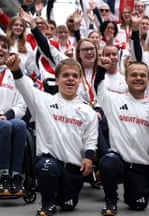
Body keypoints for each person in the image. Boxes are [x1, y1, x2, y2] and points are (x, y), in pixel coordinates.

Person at [6, 56, 98, 216]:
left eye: (75, 76)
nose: (70, 79)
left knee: (68, 205)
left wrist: (89, 157)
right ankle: (47, 204)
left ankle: (61, 196)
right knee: (46, 166)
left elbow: (91, 138)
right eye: (66, 75)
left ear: (80, 81)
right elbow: (25, 87)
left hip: (73, 170)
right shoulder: (43, 101)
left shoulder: (88, 112)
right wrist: (15, 70)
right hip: (49, 161)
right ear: (57, 80)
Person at [94, 60, 149, 216]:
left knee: (138, 205)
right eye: (133, 75)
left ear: (148, 79)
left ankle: (131, 192)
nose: (138, 78)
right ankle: (110, 200)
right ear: (125, 79)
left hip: (140, 163)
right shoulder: (114, 100)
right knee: (107, 161)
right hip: (118, 160)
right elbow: (98, 88)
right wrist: (101, 69)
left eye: (142, 75)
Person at [0, 34, 27, 197]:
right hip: (3, 123)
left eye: (4, 47)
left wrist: (8, 115)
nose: (0, 49)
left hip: (7, 119)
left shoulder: (14, 75)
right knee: (6, 126)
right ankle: (3, 175)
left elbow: (22, 103)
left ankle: (16, 175)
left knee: (20, 125)